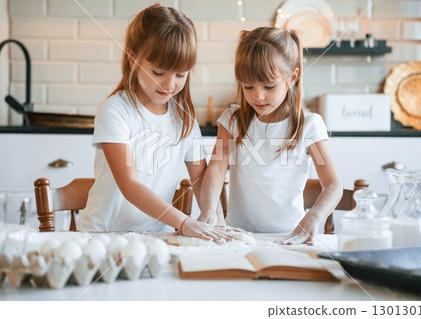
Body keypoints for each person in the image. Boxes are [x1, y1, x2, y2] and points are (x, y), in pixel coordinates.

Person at [79, 4, 229, 242]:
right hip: (103, 236)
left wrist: (213, 217)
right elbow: (128, 185)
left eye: (180, 75)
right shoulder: (116, 110)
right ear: (132, 58)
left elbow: (200, 180)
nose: (169, 85)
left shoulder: (185, 119)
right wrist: (184, 221)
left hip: (156, 238)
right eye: (158, 72)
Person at [198, 27, 343, 244]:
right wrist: (209, 210)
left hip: (290, 235)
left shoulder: (309, 126)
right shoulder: (232, 121)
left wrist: (314, 217)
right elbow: (216, 168)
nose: (258, 96)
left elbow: (333, 185)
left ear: (292, 77)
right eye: (248, 87)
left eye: (269, 86)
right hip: (238, 235)